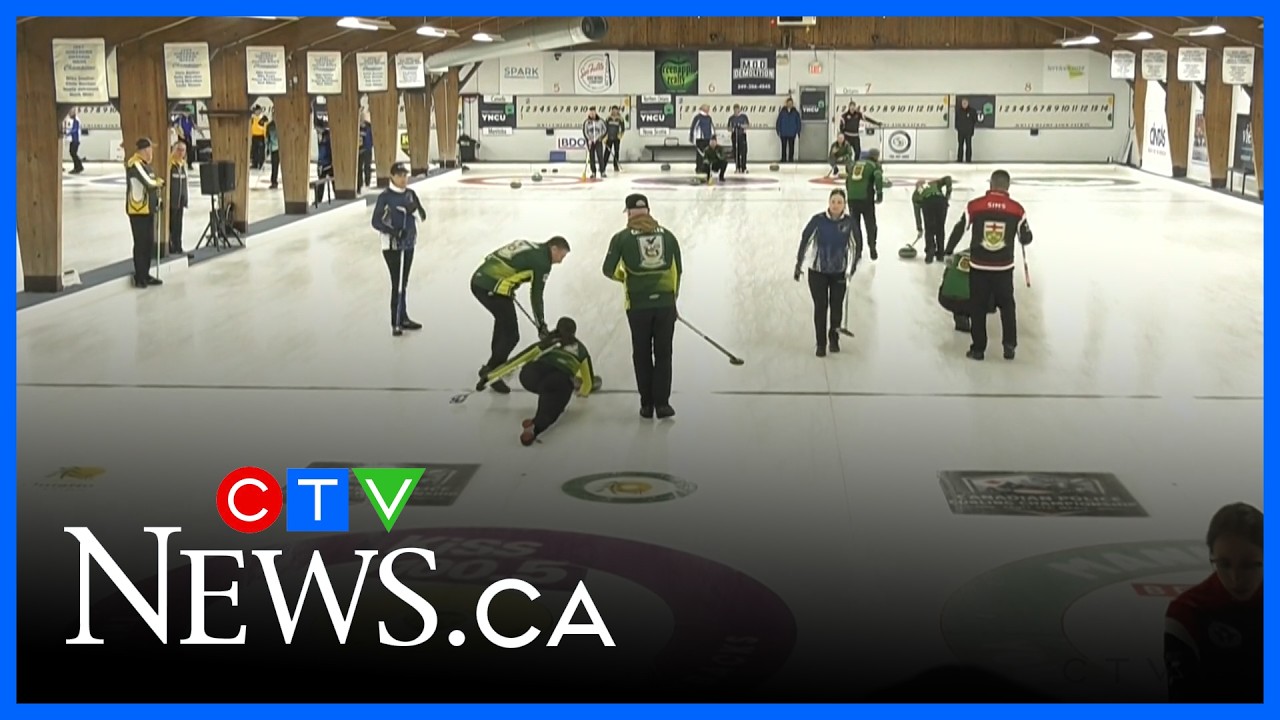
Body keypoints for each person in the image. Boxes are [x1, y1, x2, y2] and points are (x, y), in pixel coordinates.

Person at [1164, 502, 1262, 702]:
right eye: (1224, 564)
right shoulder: (1187, 612)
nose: (1235, 578)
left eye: (1249, 565)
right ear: (1212, 557)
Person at [602, 193, 682, 419]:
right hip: (666, 304)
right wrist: (672, 300)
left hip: (637, 306)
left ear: (628, 213)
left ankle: (646, 405)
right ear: (648, 210)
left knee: (642, 354)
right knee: (664, 354)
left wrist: (624, 277)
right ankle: (663, 404)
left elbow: (608, 269)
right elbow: (677, 271)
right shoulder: (669, 236)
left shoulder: (621, 238)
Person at [944, 169, 1032, 360]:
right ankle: (1009, 345)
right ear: (1007, 186)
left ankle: (978, 349)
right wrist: (1023, 237)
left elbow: (960, 228)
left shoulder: (975, 205)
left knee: (978, 307)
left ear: (990, 184)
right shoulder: (1017, 209)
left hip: (979, 267)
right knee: (1007, 306)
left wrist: (948, 251)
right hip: (1004, 268)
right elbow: (1026, 237)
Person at [472, 236, 571, 393]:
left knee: (503, 326)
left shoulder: (532, 246)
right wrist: (541, 325)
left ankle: (494, 365)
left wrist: (508, 284)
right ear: (553, 249)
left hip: (482, 281)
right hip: (492, 287)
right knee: (511, 335)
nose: (561, 261)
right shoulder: (543, 263)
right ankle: (492, 372)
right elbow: (536, 295)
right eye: (562, 255)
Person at [479, 317, 598, 446]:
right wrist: (582, 391)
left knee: (548, 388)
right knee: (554, 401)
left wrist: (490, 377)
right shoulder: (581, 350)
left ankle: (548, 396)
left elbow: (519, 359)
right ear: (574, 332)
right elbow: (589, 382)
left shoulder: (549, 342)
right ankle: (535, 427)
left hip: (530, 375)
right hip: (557, 380)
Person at [795, 189, 858, 357]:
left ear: (844, 204)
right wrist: (798, 263)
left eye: (839, 202)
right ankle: (821, 343)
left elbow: (856, 247)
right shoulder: (818, 220)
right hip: (817, 272)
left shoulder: (850, 223)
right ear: (828, 203)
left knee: (836, 307)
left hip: (839, 272)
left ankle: (834, 338)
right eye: (833, 202)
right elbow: (805, 241)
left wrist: (851, 268)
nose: (836, 205)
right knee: (820, 308)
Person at [370, 162, 427, 336]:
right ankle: (396, 321)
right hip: (392, 246)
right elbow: (376, 221)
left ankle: (403, 317)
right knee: (397, 283)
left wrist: (414, 209)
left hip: (409, 243)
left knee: (404, 282)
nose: (403, 179)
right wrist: (394, 232)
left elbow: (422, 217)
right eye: (400, 175)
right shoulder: (385, 197)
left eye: (405, 175)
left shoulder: (411, 194)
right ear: (392, 177)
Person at [124, 137, 164, 289]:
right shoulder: (135, 164)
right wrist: (160, 183)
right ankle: (139, 276)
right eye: (150, 149)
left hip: (147, 209)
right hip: (137, 210)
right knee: (140, 243)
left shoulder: (146, 165)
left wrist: (157, 201)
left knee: (148, 243)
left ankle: (146, 274)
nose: (152, 152)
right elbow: (150, 183)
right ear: (144, 150)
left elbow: (153, 185)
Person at [844, 148, 885, 261]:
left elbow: (847, 181)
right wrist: (879, 194)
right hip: (866, 198)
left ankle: (858, 251)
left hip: (852, 199)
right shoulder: (874, 165)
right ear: (876, 156)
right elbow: (878, 177)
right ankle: (872, 247)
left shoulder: (855, 164)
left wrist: (850, 193)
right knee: (870, 224)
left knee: (855, 225)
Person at [912, 175, 953, 263]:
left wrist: (919, 228)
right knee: (940, 228)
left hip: (928, 202)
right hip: (941, 202)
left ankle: (930, 253)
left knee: (929, 229)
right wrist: (947, 194)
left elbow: (917, 213)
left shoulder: (916, 193)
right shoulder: (934, 183)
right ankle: (940, 254)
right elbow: (948, 178)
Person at [167, 141, 189, 255]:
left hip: (180, 201)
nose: (181, 152)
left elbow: (184, 184)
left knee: (179, 225)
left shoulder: (182, 165)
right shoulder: (170, 165)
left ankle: (178, 246)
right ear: (173, 150)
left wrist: (185, 199)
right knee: (171, 225)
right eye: (179, 149)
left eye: (183, 150)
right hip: (172, 202)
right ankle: (170, 246)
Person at [688, 104, 714, 176]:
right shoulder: (698, 117)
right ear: (703, 109)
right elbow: (693, 127)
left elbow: (711, 128)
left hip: (707, 138)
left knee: (707, 154)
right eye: (707, 108)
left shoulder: (709, 118)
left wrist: (713, 138)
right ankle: (699, 168)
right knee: (700, 154)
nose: (708, 109)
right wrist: (692, 138)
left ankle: (705, 168)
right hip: (700, 139)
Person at [582, 108, 608, 179]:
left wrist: (601, 137)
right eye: (591, 113)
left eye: (593, 113)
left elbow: (605, 130)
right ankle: (593, 172)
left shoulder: (601, 121)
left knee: (600, 156)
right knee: (591, 157)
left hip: (598, 141)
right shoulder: (587, 122)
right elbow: (585, 132)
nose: (592, 114)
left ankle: (602, 171)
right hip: (590, 142)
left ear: (596, 113)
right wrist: (588, 139)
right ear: (589, 114)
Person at [775, 97, 801, 163]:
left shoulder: (795, 113)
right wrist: (778, 130)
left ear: (792, 104)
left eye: (791, 103)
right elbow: (778, 121)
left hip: (792, 133)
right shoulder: (782, 112)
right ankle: (783, 159)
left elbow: (798, 122)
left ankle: (790, 159)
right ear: (786, 104)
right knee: (783, 147)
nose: (790, 104)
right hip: (783, 132)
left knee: (791, 147)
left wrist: (798, 131)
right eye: (788, 103)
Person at [313, 124, 333, 206]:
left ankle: (337, 194)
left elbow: (324, 152)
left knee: (332, 182)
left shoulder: (326, 138)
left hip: (327, 163)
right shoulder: (321, 138)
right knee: (321, 184)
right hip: (323, 164)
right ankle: (318, 199)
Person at [727, 104, 750, 173]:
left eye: (737, 110)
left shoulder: (743, 117)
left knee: (743, 152)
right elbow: (729, 128)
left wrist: (741, 126)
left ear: (739, 109)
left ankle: (744, 167)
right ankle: (737, 167)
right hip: (734, 135)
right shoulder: (731, 118)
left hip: (742, 135)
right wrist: (733, 128)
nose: (736, 111)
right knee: (736, 152)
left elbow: (747, 125)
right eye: (735, 110)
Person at [955, 98, 978, 163]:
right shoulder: (958, 111)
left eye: (965, 103)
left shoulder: (972, 111)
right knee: (960, 145)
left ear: (968, 103)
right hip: (960, 132)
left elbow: (975, 120)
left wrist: (971, 128)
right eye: (963, 103)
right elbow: (956, 120)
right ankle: (959, 159)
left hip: (968, 132)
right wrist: (958, 128)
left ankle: (968, 159)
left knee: (968, 146)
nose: (964, 104)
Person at [603, 107, 625, 173]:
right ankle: (603, 166)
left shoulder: (620, 119)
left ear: (618, 111)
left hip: (616, 138)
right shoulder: (608, 118)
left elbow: (623, 129)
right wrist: (604, 137)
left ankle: (615, 166)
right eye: (613, 110)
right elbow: (604, 128)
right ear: (611, 111)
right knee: (607, 152)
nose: (614, 112)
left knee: (616, 152)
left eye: (616, 110)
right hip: (609, 138)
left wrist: (620, 135)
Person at [65, 109, 84, 174]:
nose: (69, 115)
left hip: (75, 139)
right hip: (73, 139)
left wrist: (68, 133)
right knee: (72, 153)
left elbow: (75, 129)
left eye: (70, 113)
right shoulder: (73, 120)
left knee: (73, 153)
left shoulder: (76, 120)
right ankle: (77, 166)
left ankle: (78, 167)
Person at [358, 117, 374, 191]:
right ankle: (360, 183)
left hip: (367, 149)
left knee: (367, 166)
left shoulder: (369, 127)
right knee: (359, 168)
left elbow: (372, 138)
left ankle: (367, 182)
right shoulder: (357, 127)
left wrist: (370, 145)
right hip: (359, 150)